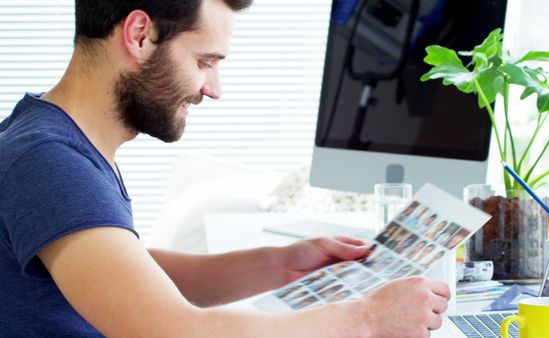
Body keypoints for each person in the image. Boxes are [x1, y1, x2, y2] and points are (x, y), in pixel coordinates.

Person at [0, 1, 450, 336]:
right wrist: (367, 319)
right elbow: (172, 330)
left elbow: (120, 275)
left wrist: (277, 265)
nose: (212, 89)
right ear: (139, 35)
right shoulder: (48, 160)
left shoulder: (53, 137)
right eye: (204, 62)